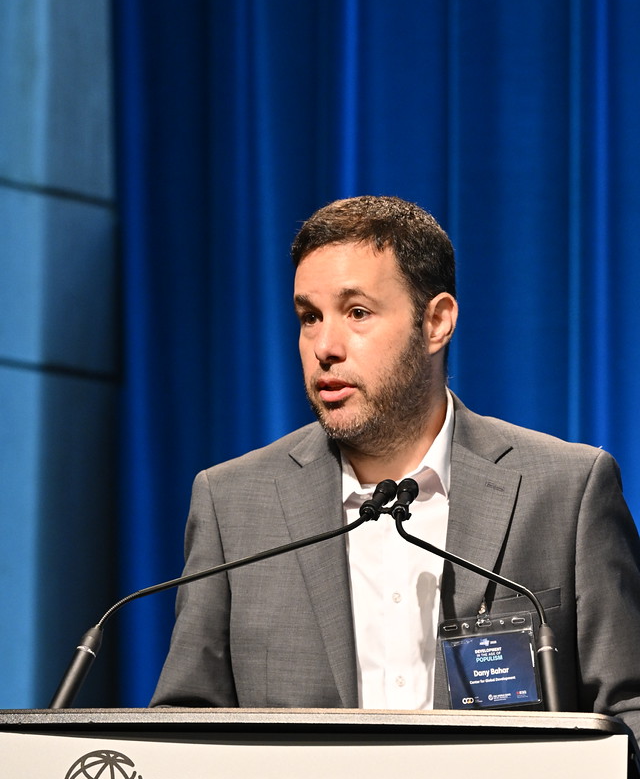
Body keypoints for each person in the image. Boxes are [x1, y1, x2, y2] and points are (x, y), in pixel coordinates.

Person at [151, 195, 640, 741]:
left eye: (357, 312)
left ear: (436, 322)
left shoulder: (566, 491)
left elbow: (628, 709)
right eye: (310, 317)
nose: (325, 347)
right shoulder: (234, 505)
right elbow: (186, 729)